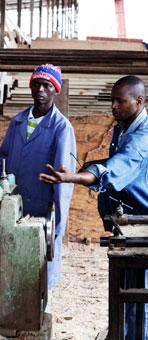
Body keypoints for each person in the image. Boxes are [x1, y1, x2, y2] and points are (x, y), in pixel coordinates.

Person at [39, 75, 148, 338]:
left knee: (141, 297)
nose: (113, 107)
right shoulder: (125, 126)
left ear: (139, 101)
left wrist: (74, 178)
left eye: (120, 101)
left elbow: (116, 168)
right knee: (128, 291)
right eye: (112, 101)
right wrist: (85, 168)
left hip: (142, 226)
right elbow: (109, 161)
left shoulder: (142, 137)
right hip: (128, 225)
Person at [0, 64, 77, 289]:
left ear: (55, 90)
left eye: (47, 86)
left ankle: (39, 313)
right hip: (14, 206)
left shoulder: (61, 128)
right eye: (36, 84)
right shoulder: (18, 122)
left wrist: (56, 227)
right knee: (12, 264)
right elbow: (2, 159)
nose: (41, 90)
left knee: (39, 270)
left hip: (41, 208)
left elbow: (63, 180)